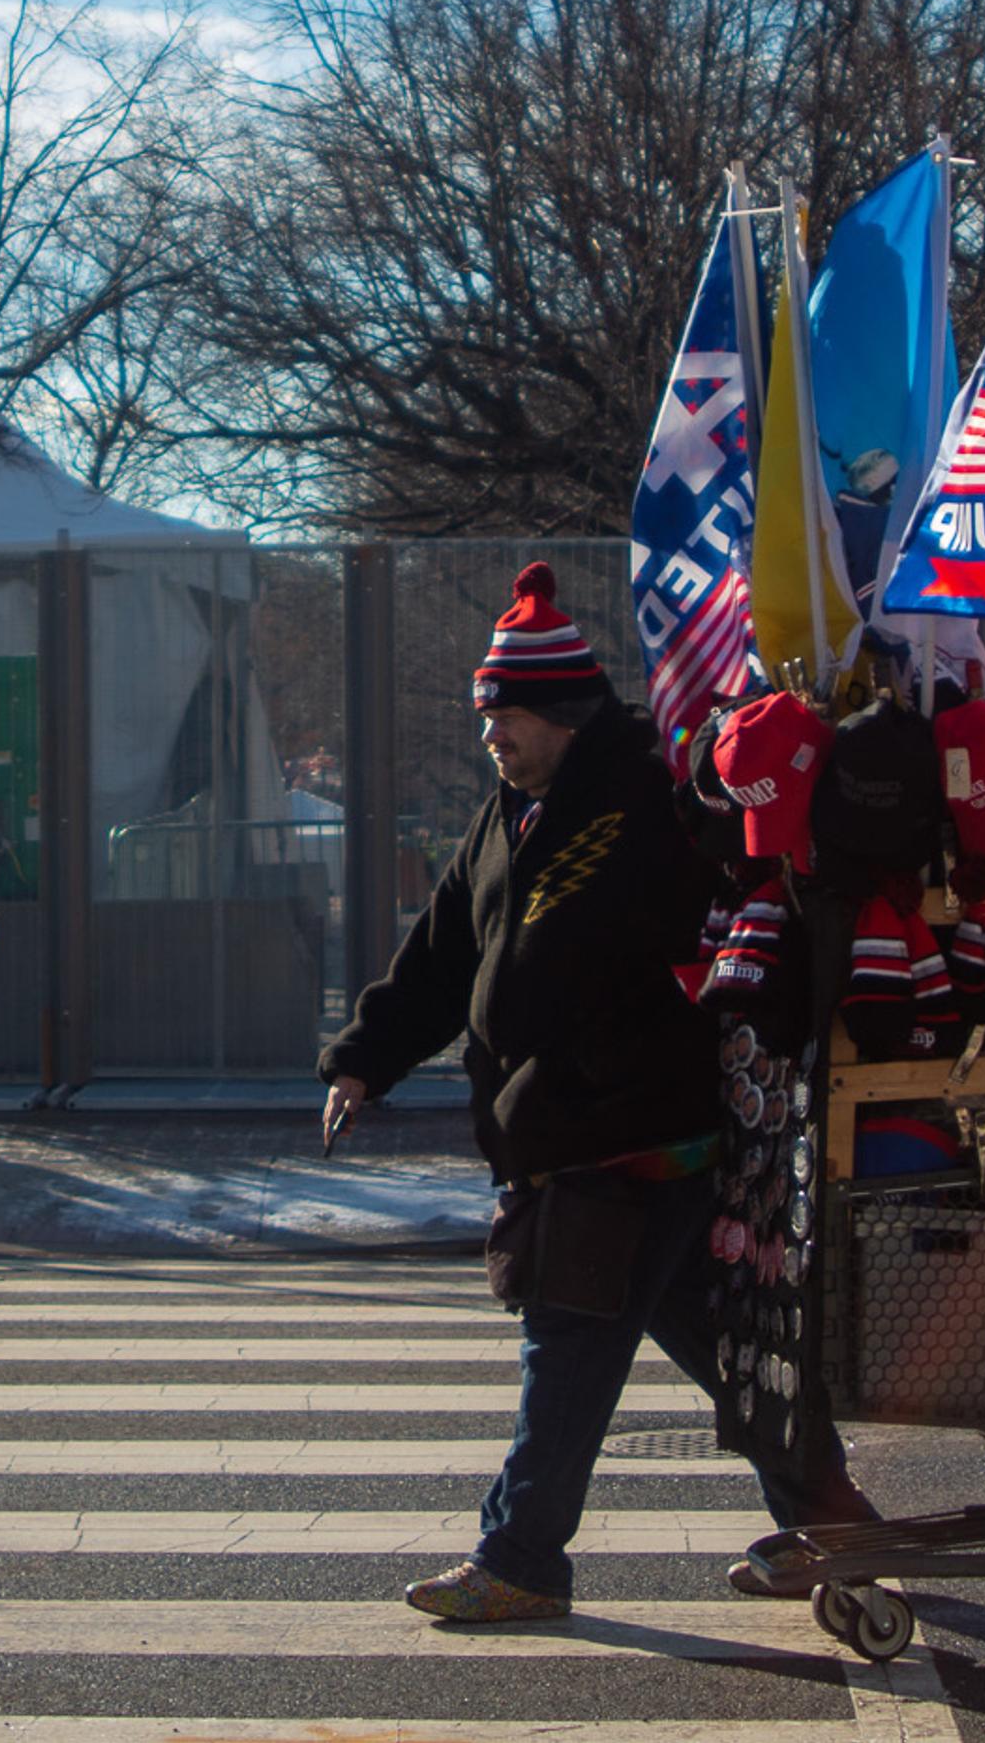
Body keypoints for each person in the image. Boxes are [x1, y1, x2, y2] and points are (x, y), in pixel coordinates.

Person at [318, 563, 872, 1623]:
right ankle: (832, 1514)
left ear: (566, 715)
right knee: (726, 1347)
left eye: (510, 716)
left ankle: (523, 1556)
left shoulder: (649, 799)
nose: (493, 735)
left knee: (568, 1344)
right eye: (489, 716)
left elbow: (731, 906)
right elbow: (439, 957)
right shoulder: (507, 818)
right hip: (563, 1128)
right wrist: (362, 1058)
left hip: (629, 1127)